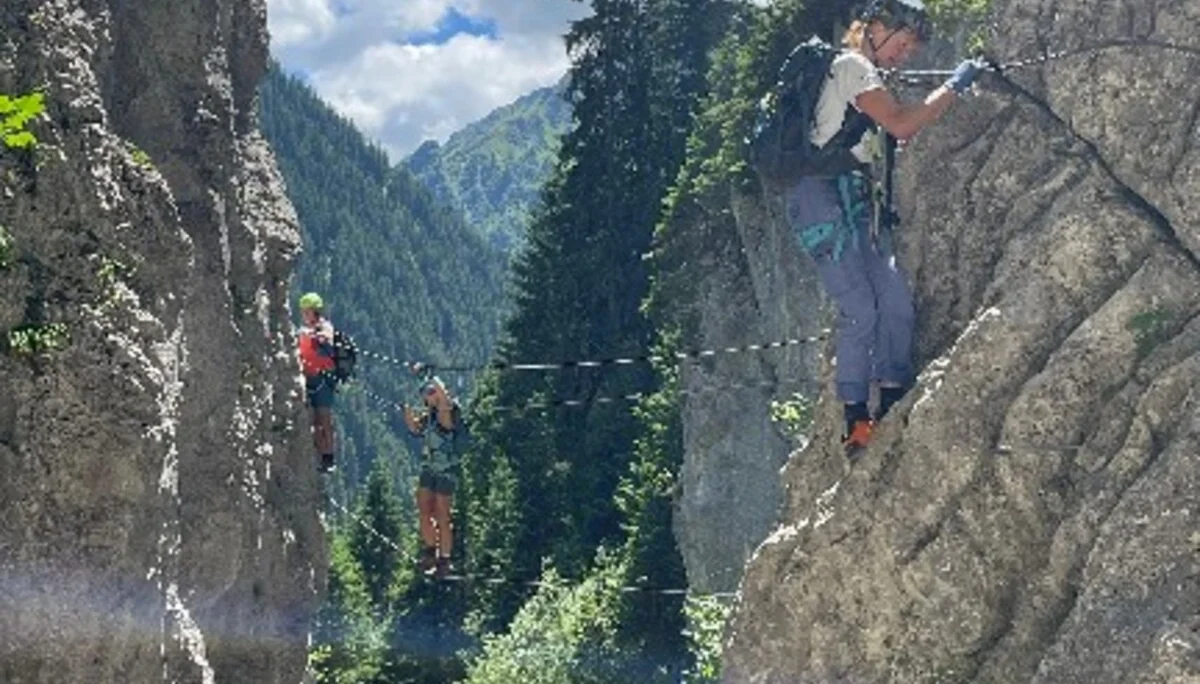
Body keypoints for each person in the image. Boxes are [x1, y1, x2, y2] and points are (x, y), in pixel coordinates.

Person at [784, 0, 982, 452]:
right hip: (819, 199)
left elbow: (893, 131)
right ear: (876, 28)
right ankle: (855, 415)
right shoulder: (852, 66)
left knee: (893, 301)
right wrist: (955, 86)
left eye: (912, 48)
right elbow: (900, 123)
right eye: (903, 42)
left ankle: (892, 393)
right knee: (861, 308)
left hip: (850, 196)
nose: (905, 54)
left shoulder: (862, 74)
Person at [402, 375, 461, 579]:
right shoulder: (429, 418)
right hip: (429, 468)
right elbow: (415, 429)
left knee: (443, 515)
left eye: (431, 392)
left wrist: (432, 378)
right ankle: (430, 551)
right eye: (426, 393)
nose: (429, 395)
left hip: (445, 470)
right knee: (424, 511)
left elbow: (444, 400)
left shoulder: (447, 414)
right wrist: (408, 414)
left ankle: (444, 559)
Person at [297, 292, 337, 472]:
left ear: (315, 311)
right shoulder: (305, 331)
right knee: (315, 420)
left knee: (324, 418)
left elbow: (328, 336)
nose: (304, 315)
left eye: (307, 312)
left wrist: (319, 337)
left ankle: (328, 457)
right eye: (303, 312)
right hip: (309, 379)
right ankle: (320, 454)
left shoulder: (324, 327)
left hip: (322, 381)